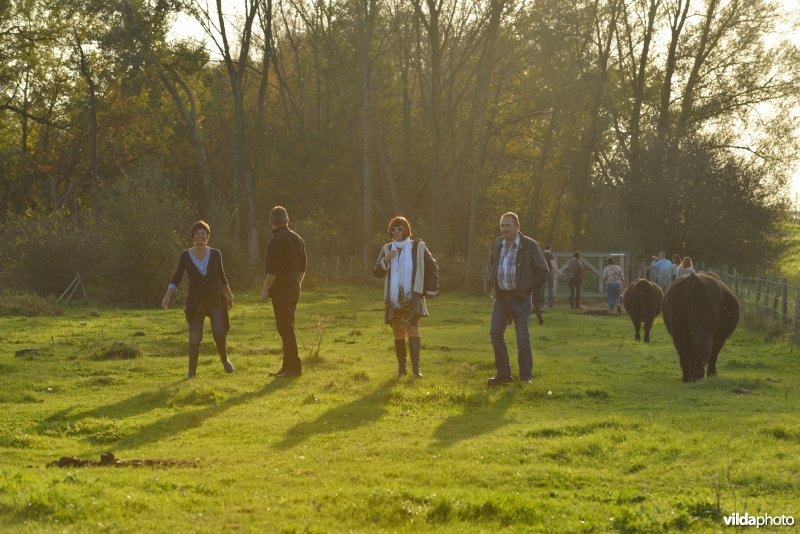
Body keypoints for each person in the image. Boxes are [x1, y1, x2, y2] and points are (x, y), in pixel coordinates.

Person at [162, 220, 235, 379]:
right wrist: (168, 295)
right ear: (193, 237)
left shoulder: (216, 253)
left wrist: (229, 295)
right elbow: (177, 277)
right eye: (197, 233)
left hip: (215, 298)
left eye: (204, 233)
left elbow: (222, 276)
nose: (201, 236)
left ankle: (225, 360)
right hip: (196, 302)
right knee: (195, 336)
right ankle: (191, 372)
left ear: (207, 236)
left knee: (219, 331)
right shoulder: (185, 255)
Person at [487, 212, 549, 385]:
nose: (504, 229)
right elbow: (493, 265)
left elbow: (543, 271)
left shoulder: (529, 245)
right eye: (502, 226)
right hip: (501, 298)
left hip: (520, 298)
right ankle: (503, 374)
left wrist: (528, 289)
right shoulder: (498, 243)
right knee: (495, 333)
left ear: (517, 226)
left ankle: (525, 377)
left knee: (522, 337)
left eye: (508, 225)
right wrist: (492, 282)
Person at [373, 216, 439, 378]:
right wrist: (385, 260)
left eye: (400, 228)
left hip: (412, 297)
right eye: (393, 229)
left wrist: (428, 290)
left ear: (406, 230)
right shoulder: (387, 249)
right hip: (394, 299)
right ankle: (401, 369)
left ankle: (416, 370)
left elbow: (433, 267)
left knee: (413, 329)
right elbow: (377, 272)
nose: (396, 232)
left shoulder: (418, 247)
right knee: (398, 332)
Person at [261, 206, 307, 378]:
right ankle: (287, 367)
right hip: (294, 287)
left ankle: (294, 368)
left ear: (271, 221)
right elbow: (303, 268)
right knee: (288, 326)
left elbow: (273, 270)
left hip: (282, 290)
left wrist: (265, 289)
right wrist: (297, 284)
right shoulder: (298, 239)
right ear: (287, 220)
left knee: (285, 328)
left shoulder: (277, 240)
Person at [543, 244, 558, 309]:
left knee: (541, 289)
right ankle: (550, 304)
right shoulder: (550, 255)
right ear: (550, 248)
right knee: (550, 290)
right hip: (549, 273)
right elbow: (553, 264)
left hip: (542, 273)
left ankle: (541, 304)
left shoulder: (541, 254)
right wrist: (558, 271)